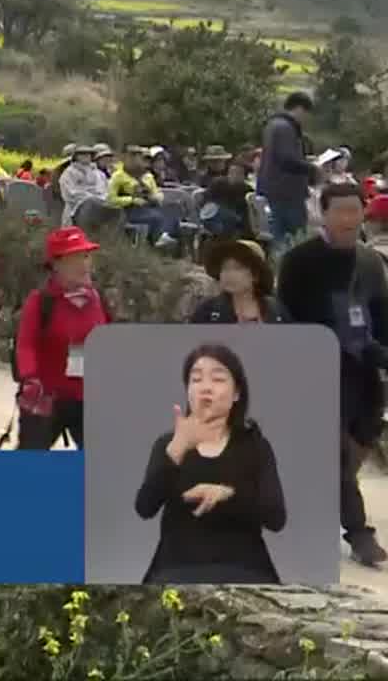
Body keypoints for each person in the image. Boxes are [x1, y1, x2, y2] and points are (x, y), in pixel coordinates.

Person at [275, 181, 388, 566]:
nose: (348, 219)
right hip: (319, 371)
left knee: (357, 446)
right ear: (322, 214)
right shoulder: (299, 261)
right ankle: (359, 534)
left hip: (365, 371)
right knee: (335, 456)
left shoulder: (371, 263)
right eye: (339, 211)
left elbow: (382, 316)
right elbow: (285, 317)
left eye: (354, 211)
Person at [134, 343, 285, 584]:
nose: (205, 388)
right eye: (196, 380)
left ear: (237, 393)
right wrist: (177, 449)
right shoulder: (168, 444)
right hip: (177, 567)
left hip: (245, 568)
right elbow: (144, 508)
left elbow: (276, 519)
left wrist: (228, 494)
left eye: (217, 379)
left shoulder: (255, 446)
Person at [14, 227, 109, 450]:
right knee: (29, 466)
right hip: (46, 398)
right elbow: (25, 345)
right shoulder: (41, 301)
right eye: (75, 257)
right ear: (56, 265)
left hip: (87, 398)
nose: (84, 264)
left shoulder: (98, 299)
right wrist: (30, 378)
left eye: (86, 256)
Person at [260, 92, 317, 244]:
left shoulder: (273, 125)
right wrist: (312, 167)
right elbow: (287, 159)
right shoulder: (285, 128)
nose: (306, 120)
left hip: (275, 190)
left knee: (279, 237)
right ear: (299, 109)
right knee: (295, 239)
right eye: (306, 114)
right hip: (288, 191)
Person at [190, 239, 283, 324]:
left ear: (255, 274)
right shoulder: (207, 312)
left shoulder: (275, 310)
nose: (229, 274)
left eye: (238, 268)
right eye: (224, 268)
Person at [112, 146, 177, 248]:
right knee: (157, 217)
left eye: (139, 157)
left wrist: (155, 197)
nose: (136, 160)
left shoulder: (147, 176)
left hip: (148, 206)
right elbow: (110, 199)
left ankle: (164, 236)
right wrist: (131, 200)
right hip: (128, 210)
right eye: (133, 156)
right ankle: (156, 241)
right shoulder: (118, 176)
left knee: (173, 209)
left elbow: (157, 193)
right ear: (125, 158)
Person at [200, 159, 255, 241]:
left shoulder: (247, 190)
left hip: (238, 222)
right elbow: (206, 202)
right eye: (231, 172)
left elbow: (248, 211)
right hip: (215, 217)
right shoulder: (217, 184)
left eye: (238, 173)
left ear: (244, 177)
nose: (234, 175)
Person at [58, 144, 108, 227]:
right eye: (82, 154)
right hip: (74, 210)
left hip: (98, 210)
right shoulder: (69, 172)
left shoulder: (99, 173)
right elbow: (69, 193)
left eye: (88, 154)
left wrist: (98, 198)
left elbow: (104, 190)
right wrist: (88, 197)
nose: (86, 156)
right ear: (76, 156)